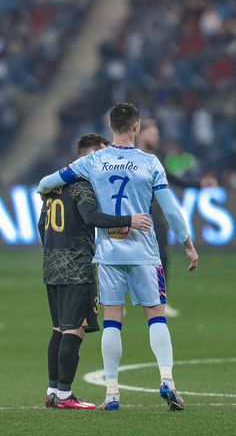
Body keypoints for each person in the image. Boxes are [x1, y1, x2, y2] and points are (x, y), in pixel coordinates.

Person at [38, 103, 199, 412]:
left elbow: (47, 183)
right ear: (136, 128)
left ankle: (111, 393)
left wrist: (51, 191)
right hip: (144, 253)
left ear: (111, 127)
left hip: (109, 254)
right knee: (156, 315)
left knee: (113, 321)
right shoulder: (150, 162)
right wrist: (188, 244)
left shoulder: (93, 161)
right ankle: (167, 381)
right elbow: (171, 210)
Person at [38, 132, 151, 411]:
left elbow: (43, 225)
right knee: (73, 330)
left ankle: (53, 390)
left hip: (51, 265)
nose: (106, 160)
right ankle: (65, 395)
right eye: (102, 155)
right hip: (77, 269)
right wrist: (129, 220)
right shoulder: (83, 185)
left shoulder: (53, 187)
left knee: (57, 329)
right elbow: (90, 217)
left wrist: (56, 249)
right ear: (91, 156)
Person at [137, 119, 217, 317]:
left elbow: (173, 179)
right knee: (133, 258)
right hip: (137, 216)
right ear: (140, 134)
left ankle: (158, 301)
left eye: (157, 134)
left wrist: (199, 184)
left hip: (152, 215)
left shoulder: (155, 158)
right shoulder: (134, 158)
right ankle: (129, 302)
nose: (156, 138)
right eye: (152, 134)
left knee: (160, 257)